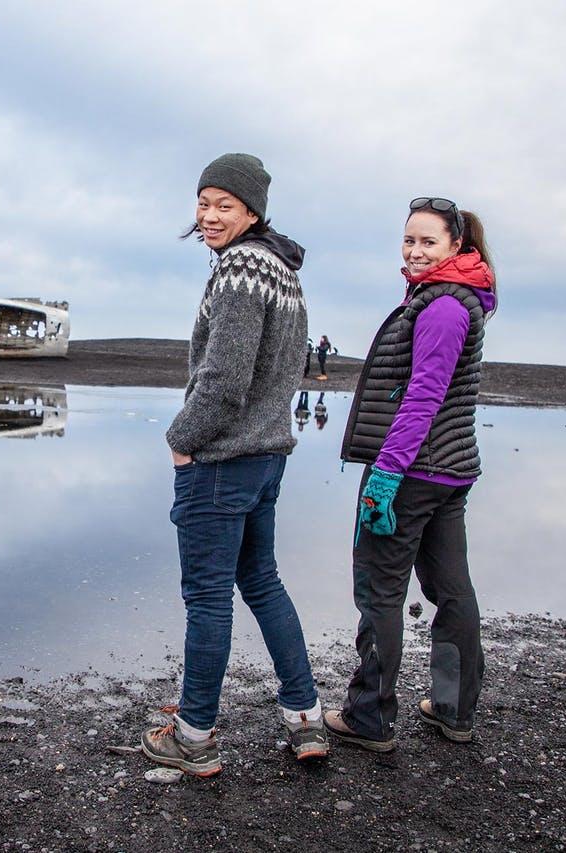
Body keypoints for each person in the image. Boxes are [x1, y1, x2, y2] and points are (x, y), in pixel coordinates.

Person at [143, 152, 327, 777]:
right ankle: (305, 717)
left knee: (207, 597)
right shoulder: (281, 269)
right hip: (267, 457)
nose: (210, 215)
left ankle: (194, 734)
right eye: (204, 203)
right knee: (261, 582)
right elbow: (285, 368)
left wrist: (181, 437)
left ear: (253, 211)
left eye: (225, 205)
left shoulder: (242, 268)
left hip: (222, 460)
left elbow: (225, 376)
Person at [325, 196, 496, 752]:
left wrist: (385, 476)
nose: (416, 251)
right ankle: (453, 708)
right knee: (451, 589)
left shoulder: (444, 306)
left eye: (428, 242)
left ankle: (369, 718)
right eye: (409, 240)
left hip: (413, 472)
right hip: (448, 470)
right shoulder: (450, 297)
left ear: (456, 246)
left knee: (380, 591)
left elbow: (422, 399)